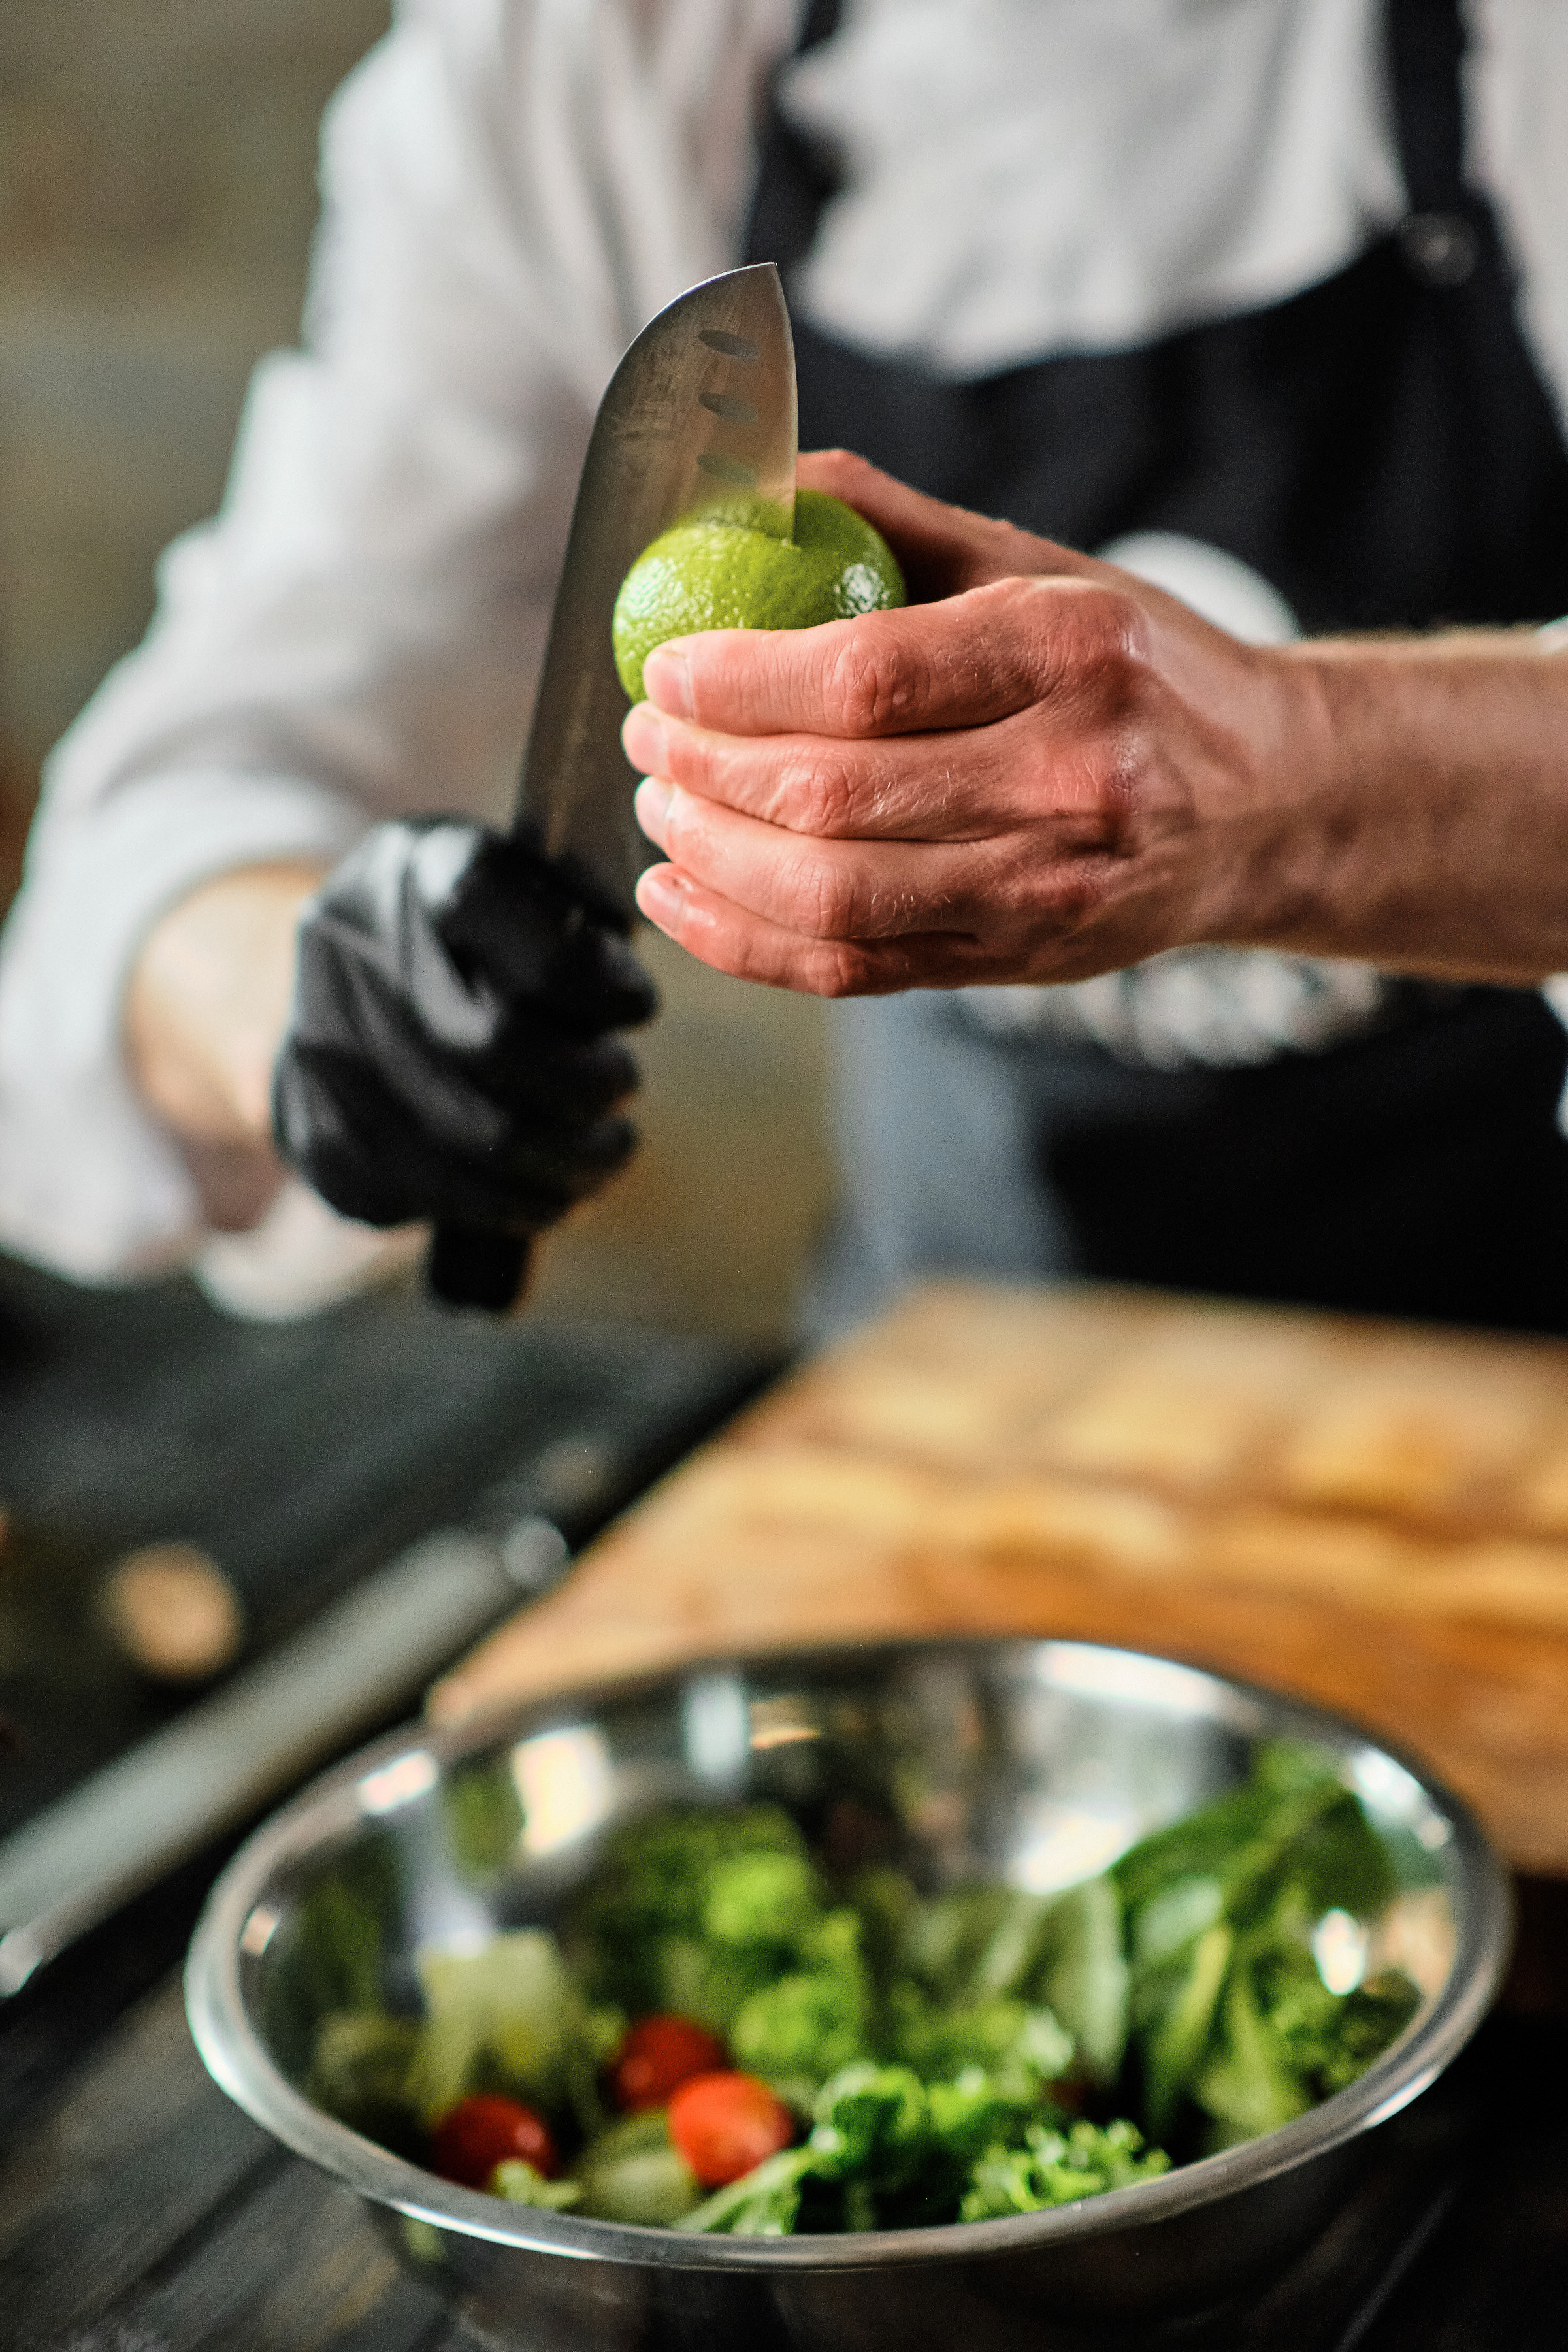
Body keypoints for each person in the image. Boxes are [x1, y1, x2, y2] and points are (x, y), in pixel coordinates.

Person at [1, 0, 1566, 1328]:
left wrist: (1302, 783)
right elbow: (185, 809)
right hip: (955, 1381)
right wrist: (321, 1000)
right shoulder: (584, 59)